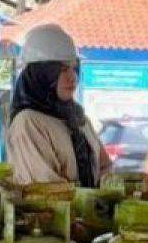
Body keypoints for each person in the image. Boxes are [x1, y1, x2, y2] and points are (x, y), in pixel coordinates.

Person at [6, 23, 112, 186]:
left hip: (88, 211)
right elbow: (46, 191)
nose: (73, 77)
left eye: (73, 68)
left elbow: (105, 168)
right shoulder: (28, 123)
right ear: (41, 75)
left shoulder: (78, 118)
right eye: (62, 69)